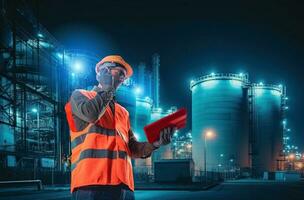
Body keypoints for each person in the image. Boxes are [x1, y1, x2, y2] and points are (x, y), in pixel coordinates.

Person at [65, 55, 176, 200]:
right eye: (119, 72)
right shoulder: (80, 95)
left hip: (123, 186)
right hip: (90, 184)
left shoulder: (122, 112)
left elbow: (132, 148)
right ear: (102, 73)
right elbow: (91, 115)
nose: (122, 78)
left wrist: (155, 144)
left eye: (124, 75)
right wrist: (107, 89)